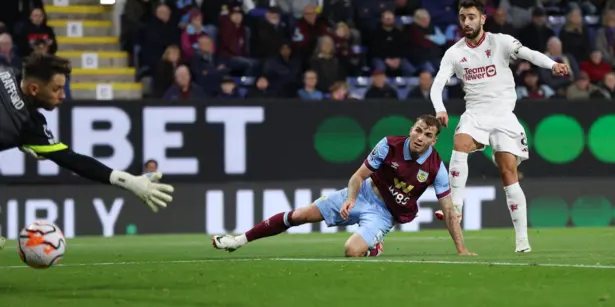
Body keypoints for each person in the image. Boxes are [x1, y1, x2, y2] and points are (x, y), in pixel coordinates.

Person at [211, 115, 476, 257]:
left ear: (434, 140)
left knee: (351, 251)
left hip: (384, 214)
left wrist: (461, 249)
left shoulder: (435, 167)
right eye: (418, 130)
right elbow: (358, 176)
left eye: (428, 135)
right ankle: (239, 240)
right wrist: (350, 199)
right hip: (362, 193)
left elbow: (449, 210)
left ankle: (373, 244)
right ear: (411, 129)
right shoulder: (389, 144)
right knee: (300, 215)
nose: (420, 137)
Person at [430, 0, 569, 253]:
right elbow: (437, 84)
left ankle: (522, 241)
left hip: (504, 115)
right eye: (463, 17)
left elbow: (529, 53)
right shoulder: (454, 53)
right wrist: (440, 108)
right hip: (475, 113)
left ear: (483, 18)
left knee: (508, 174)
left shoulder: (501, 41)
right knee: (459, 143)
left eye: (472, 17)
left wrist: (552, 65)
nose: (467, 22)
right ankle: (456, 208)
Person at [0, 54, 175, 250]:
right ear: (34, 89)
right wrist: (129, 181)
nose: (63, 95)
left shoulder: (7, 73)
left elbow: (72, 159)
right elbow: (72, 161)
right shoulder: (28, 125)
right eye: (56, 89)